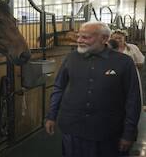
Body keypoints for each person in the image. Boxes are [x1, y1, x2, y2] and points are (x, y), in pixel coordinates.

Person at [45, 21, 141, 157]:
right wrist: (51, 116)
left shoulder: (124, 62)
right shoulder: (71, 58)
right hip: (73, 130)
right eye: (79, 36)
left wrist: (129, 133)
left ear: (104, 39)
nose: (79, 40)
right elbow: (59, 87)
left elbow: (133, 99)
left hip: (108, 134)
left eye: (86, 37)